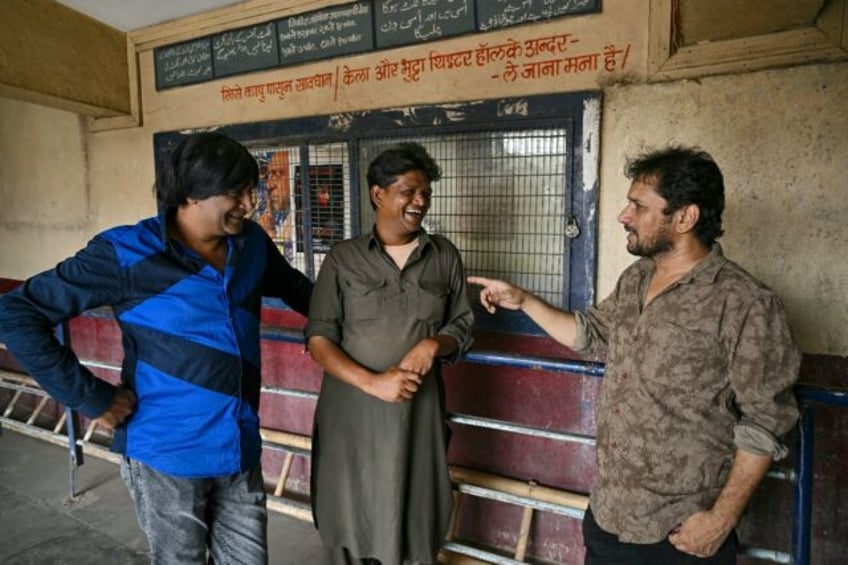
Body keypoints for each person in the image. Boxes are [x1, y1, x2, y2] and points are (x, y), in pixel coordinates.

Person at [469, 146, 800, 564]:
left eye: (638, 206)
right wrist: (525, 301)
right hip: (610, 515)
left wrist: (719, 520)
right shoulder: (636, 278)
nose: (624, 215)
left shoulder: (744, 302)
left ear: (685, 217)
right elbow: (590, 334)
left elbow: (766, 421)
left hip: (680, 532)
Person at [0, 132, 313, 564]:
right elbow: (16, 313)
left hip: (238, 447)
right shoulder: (125, 254)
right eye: (235, 193)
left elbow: (298, 290)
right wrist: (92, 397)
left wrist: (351, 328)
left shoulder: (251, 244)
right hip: (165, 454)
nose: (249, 203)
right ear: (190, 194)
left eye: (250, 190)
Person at [306, 142, 474, 564]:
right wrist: (374, 383)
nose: (420, 201)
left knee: (414, 505)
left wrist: (434, 343)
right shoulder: (343, 259)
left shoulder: (443, 256)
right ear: (378, 194)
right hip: (353, 411)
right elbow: (319, 338)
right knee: (350, 505)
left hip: (418, 411)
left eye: (425, 193)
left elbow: (463, 324)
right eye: (409, 191)